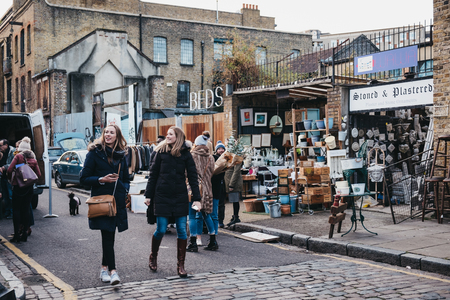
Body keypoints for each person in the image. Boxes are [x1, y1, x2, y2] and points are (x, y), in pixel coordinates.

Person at [144, 126, 200, 278]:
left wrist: (197, 198)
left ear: (178, 137)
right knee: (161, 229)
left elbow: (193, 177)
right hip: (162, 196)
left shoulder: (186, 155)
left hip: (180, 196)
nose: (167, 136)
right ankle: (153, 256)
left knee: (182, 230)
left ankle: (181, 265)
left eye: (170, 134)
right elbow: (153, 175)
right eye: (167, 134)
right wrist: (148, 195)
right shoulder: (159, 152)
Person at [80, 124, 130, 286]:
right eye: (106, 132)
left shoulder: (121, 155)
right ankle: (113, 271)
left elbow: (125, 179)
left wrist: (124, 190)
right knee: (107, 235)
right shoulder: (94, 153)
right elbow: (84, 179)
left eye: (111, 132)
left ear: (117, 136)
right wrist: (101, 180)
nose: (108, 135)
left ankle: (103, 268)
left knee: (110, 236)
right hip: (102, 201)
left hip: (117, 202)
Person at [6, 137, 41, 243]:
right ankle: (25, 233)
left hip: (18, 187)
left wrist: (12, 177)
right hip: (29, 188)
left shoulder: (18, 157)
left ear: (20, 148)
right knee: (25, 210)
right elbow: (38, 175)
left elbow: (9, 169)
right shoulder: (33, 159)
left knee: (16, 210)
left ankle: (17, 234)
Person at [187, 135, 216, 252]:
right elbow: (212, 172)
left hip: (195, 190)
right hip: (208, 190)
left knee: (192, 215)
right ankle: (213, 240)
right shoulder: (211, 157)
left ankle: (193, 242)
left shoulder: (192, 155)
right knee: (206, 215)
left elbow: (186, 173)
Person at [225, 151, 243, 227]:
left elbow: (236, 172)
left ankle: (236, 217)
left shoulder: (237, 157)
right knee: (233, 200)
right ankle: (234, 216)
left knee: (235, 201)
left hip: (234, 183)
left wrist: (231, 184)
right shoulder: (230, 156)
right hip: (230, 183)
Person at [212, 141, 226, 229]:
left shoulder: (226, 158)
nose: (221, 150)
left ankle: (221, 221)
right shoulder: (213, 157)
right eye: (219, 149)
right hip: (215, 183)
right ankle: (215, 221)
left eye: (222, 149)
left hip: (222, 184)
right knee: (215, 203)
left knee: (221, 204)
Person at [0, 139, 15, 219]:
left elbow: (15, 164)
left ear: (6, 145)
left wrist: (4, 167)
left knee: (10, 195)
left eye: (1, 145)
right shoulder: (2, 153)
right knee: (5, 196)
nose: (0, 147)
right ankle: (7, 211)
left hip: (9, 177)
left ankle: (12, 212)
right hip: (3, 177)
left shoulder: (12, 152)